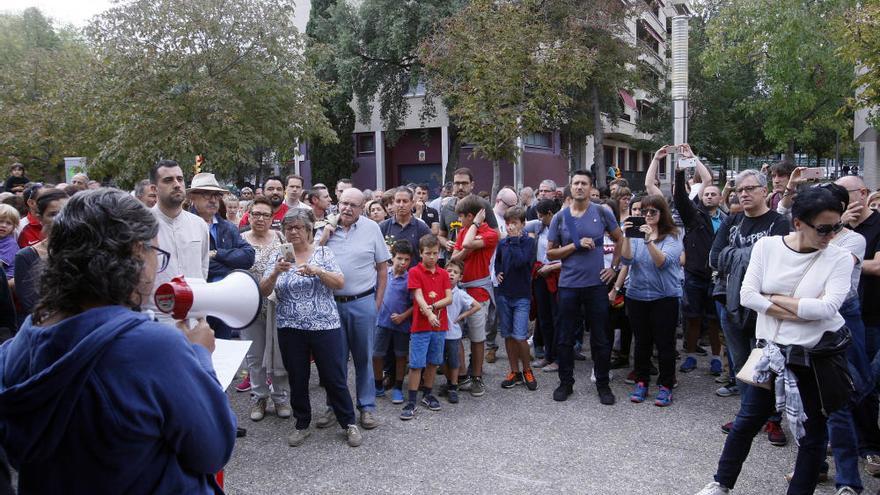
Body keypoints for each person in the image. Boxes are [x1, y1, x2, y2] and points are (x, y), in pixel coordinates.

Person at [0, 188, 236, 494]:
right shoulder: (153, 348)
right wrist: (199, 355)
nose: (156, 267)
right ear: (136, 253)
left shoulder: (26, 339)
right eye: (155, 252)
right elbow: (213, 449)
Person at [695, 186, 852, 495]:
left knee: (813, 433)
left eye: (837, 227)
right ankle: (721, 482)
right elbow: (747, 295)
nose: (831, 235)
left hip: (815, 357)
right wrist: (802, 309)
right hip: (770, 353)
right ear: (798, 223)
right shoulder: (767, 247)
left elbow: (828, 308)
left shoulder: (840, 257)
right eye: (823, 228)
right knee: (746, 421)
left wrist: (775, 300)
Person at [258, 208, 362, 448]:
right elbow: (263, 291)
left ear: (309, 230)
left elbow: (340, 282)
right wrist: (275, 272)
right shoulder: (278, 256)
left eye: (298, 227)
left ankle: (348, 422)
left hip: (324, 324)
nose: (293, 232)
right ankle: (302, 423)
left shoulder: (323, 253)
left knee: (333, 376)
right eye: (288, 227)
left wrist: (318, 271)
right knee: (297, 376)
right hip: (290, 326)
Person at [710, 168, 791, 445]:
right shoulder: (732, 221)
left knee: (769, 365)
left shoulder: (779, 224)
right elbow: (715, 257)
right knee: (742, 363)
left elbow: (779, 266)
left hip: (765, 307)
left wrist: (737, 257)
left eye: (749, 189)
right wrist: (754, 257)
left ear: (764, 191)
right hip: (732, 304)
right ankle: (748, 416)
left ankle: (773, 420)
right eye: (739, 190)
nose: (743, 194)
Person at [547, 170, 623, 405]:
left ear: (591, 188)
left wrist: (614, 267)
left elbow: (620, 238)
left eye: (584, 183)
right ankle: (565, 382)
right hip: (569, 285)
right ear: (570, 187)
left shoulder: (601, 212)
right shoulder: (561, 217)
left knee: (600, 337)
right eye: (576, 183)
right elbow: (550, 252)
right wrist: (575, 246)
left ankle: (603, 384)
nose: (579, 187)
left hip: (596, 285)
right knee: (565, 337)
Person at [318, 188, 389, 431]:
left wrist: (377, 303)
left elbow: (382, 268)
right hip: (331, 304)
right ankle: (333, 406)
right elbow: (311, 258)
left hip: (363, 302)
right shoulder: (324, 226)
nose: (347, 208)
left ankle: (367, 407)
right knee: (333, 360)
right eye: (343, 203)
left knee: (363, 358)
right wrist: (325, 235)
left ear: (362, 208)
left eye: (353, 205)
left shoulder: (372, 229)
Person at [616, 195, 683, 407]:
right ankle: (642, 381)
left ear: (662, 214)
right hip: (637, 296)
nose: (647, 215)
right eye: (643, 211)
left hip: (665, 297)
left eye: (652, 212)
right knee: (641, 342)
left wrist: (648, 241)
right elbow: (626, 260)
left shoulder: (672, 235)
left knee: (665, 343)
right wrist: (627, 236)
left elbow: (663, 262)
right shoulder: (635, 234)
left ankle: (665, 385)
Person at [835, 175, 880, 475]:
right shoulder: (840, 229)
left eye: (844, 193)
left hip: (873, 316)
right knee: (842, 384)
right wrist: (844, 232)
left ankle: (870, 446)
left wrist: (845, 254)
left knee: (866, 384)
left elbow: (877, 266)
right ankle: (848, 442)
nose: (839, 200)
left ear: (862, 193)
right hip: (845, 316)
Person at [673, 146, 726, 376]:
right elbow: (680, 198)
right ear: (701, 198)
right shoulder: (694, 217)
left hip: (718, 278)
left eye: (714, 193)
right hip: (695, 276)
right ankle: (691, 356)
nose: (710, 196)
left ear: (721, 197)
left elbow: (709, 178)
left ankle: (716, 359)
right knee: (693, 318)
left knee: (715, 321)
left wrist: (694, 157)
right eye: (706, 194)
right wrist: (679, 172)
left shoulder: (728, 221)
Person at [239, 197, 291, 421]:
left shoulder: (280, 238)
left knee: (278, 352)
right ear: (249, 216)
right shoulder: (240, 240)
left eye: (265, 215)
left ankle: (280, 397)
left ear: (273, 219)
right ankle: (259, 397)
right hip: (249, 306)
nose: (260, 219)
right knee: (255, 355)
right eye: (256, 214)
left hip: (276, 305)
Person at [188, 173, 255, 339]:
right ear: (192, 198)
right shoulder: (185, 225)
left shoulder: (227, 227)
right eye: (206, 194)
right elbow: (196, 265)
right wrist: (229, 266)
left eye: (216, 195)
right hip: (197, 303)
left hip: (225, 302)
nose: (213, 200)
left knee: (223, 355)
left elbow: (248, 257)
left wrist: (217, 253)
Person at [144, 160, 209, 325]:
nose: (177, 184)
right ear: (154, 188)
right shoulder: (142, 225)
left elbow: (203, 269)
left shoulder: (199, 224)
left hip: (194, 318)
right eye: (168, 180)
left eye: (180, 179)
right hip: (157, 319)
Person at [451, 195, 500, 397]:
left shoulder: (490, 234)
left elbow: (468, 244)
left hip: (478, 292)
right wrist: (464, 247)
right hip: (460, 290)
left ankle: (477, 376)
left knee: (477, 337)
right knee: (455, 334)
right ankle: (462, 375)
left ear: (472, 216)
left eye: (462, 217)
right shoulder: (463, 231)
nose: (460, 222)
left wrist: (476, 227)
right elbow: (455, 258)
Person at [400, 234, 452, 420]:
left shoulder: (444, 273)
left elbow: (449, 298)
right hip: (421, 326)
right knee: (416, 364)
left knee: (433, 362)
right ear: (420, 253)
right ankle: (412, 400)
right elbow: (418, 296)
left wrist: (435, 307)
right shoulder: (415, 272)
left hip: (439, 327)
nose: (432, 257)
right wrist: (429, 313)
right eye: (428, 253)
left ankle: (428, 394)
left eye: (435, 253)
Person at [495, 206, 538, 391]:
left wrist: (514, 241)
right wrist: (498, 273)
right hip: (504, 294)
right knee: (508, 335)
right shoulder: (502, 243)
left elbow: (522, 262)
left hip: (521, 295)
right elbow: (498, 261)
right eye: (508, 223)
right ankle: (514, 371)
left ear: (523, 224)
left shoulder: (528, 243)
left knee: (520, 335)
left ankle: (527, 370)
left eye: (514, 223)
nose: (510, 226)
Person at [13, 189, 68, 327]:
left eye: (65, 212)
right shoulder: (26, 256)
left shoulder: (87, 250)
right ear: (40, 217)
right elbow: (31, 305)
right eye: (53, 214)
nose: (60, 218)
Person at [372, 240, 414, 405]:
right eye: (399, 258)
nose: (403, 263)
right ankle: (377, 384)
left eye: (407, 260)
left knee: (401, 355)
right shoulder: (383, 274)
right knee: (376, 354)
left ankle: (397, 387)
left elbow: (415, 304)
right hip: (381, 322)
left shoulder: (410, 279)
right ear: (392, 258)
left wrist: (403, 316)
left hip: (402, 325)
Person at [525, 198, 562, 373]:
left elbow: (570, 255)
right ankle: (548, 355)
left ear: (550, 214)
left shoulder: (564, 228)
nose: (539, 220)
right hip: (540, 274)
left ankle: (559, 358)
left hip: (557, 276)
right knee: (543, 317)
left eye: (541, 216)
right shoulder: (539, 227)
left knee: (557, 318)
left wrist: (552, 267)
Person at [439, 260, 481, 404]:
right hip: (438, 332)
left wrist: (463, 316)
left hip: (453, 333)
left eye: (455, 272)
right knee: (439, 360)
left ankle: (453, 386)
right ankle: (450, 381)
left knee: (454, 361)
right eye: (449, 271)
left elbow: (476, 306)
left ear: (460, 278)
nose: (451, 274)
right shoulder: (439, 289)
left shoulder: (461, 294)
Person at [378, 187, 432, 267]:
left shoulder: (422, 228)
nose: (401, 205)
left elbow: (429, 256)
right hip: (390, 277)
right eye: (398, 201)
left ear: (412, 203)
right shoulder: (383, 227)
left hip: (415, 277)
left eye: (405, 201)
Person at [17, 184, 44, 248]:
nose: (50, 201)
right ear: (31, 203)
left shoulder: (58, 223)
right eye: (43, 199)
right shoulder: (19, 227)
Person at [0, 205, 19, 283]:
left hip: (5, 281)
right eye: (0, 221)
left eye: (9, 223)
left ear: (14, 227)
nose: (4, 225)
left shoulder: (10, 244)